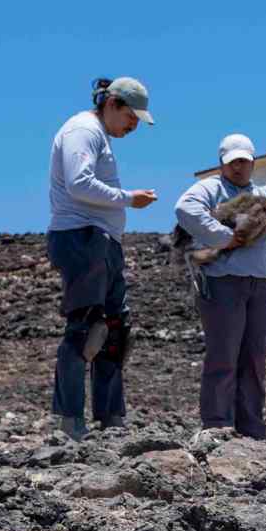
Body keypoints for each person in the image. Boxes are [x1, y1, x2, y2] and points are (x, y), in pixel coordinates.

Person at [173, 134, 266, 439]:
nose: (239, 167)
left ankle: (252, 428)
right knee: (223, 354)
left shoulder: (264, 191)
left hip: (261, 284)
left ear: (253, 162)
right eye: (233, 162)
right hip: (223, 282)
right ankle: (217, 425)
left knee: (254, 357)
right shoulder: (210, 188)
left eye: (244, 161)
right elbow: (185, 209)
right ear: (223, 164)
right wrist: (225, 237)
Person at [46, 76, 159, 440]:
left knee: (113, 330)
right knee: (86, 327)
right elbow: (79, 183)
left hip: (102, 239)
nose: (134, 125)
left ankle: (111, 419)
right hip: (81, 236)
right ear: (112, 104)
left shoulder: (100, 135)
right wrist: (129, 198)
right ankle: (69, 421)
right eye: (131, 117)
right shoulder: (83, 130)